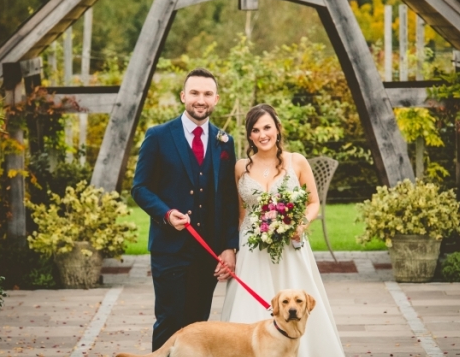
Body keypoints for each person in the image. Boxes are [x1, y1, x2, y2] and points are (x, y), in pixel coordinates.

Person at [221, 103, 346, 357]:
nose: (262, 135)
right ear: (250, 135)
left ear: (278, 129)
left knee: (295, 303)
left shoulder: (296, 161)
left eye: (267, 127)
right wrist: (233, 250)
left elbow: (313, 203)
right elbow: (240, 213)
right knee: (248, 308)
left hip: (290, 246)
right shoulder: (240, 167)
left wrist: (301, 225)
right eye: (255, 130)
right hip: (252, 249)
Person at [132, 68, 240, 351]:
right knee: (169, 320)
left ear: (216, 99)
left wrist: (230, 247)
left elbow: (230, 199)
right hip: (170, 250)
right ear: (183, 96)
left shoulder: (225, 142)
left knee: (197, 326)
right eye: (194, 93)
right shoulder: (157, 136)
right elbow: (140, 188)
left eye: (207, 94)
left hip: (208, 252)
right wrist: (166, 214)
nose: (200, 100)